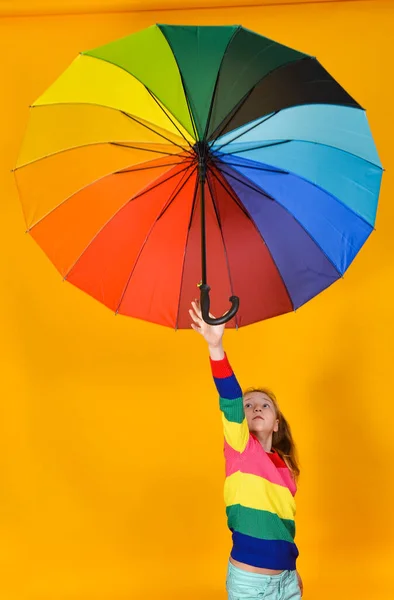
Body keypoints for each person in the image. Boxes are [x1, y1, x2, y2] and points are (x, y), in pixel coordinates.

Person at [189, 300, 303, 600]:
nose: (256, 408)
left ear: (276, 423)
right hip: (251, 585)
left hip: (287, 581)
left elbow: (281, 527)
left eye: (265, 405)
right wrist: (216, 346)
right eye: (248, 405)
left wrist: (293, 572)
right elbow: (229, 395)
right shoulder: (241, 448)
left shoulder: (284, 468)